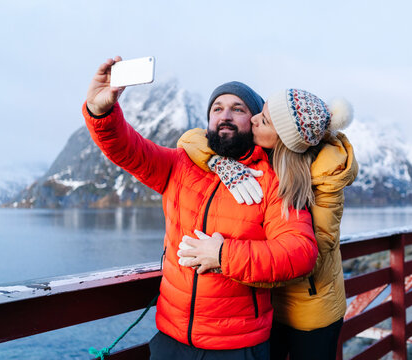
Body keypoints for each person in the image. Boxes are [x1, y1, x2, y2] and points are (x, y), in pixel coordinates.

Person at [82, 56, 318, 360]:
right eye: (217, 109)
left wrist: (223, 255)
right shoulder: (180, 164)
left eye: (238, 108)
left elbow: (300, 252)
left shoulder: (272, 179)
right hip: (171, 339)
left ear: (255, 119)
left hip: (237, 346)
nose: (225, 115)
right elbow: (126, 148)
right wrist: (100, 110)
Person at [177, 88, 358, 360]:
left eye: (264, 120)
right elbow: (191, 138)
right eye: (260, 112)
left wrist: (224, 257)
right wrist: (218, 161)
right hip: (268, 308)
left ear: (284, 139)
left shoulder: (325, 180)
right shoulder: (266, 154)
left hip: (312, 313)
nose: (253, 120)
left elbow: (310, 257)